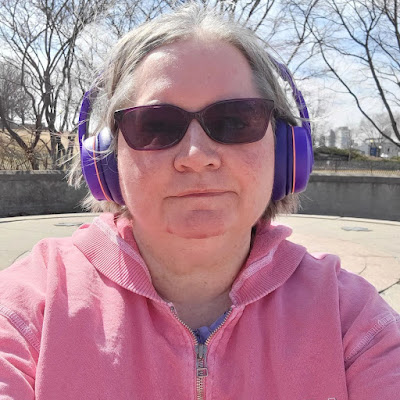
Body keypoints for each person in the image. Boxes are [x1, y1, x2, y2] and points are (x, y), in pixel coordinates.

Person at [0, 3, 399, 399]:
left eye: (235, 121)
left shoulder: (353, 320)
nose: (196, 156)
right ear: (105, 158)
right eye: (155, 125)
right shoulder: (32, 307)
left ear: (285, 150)